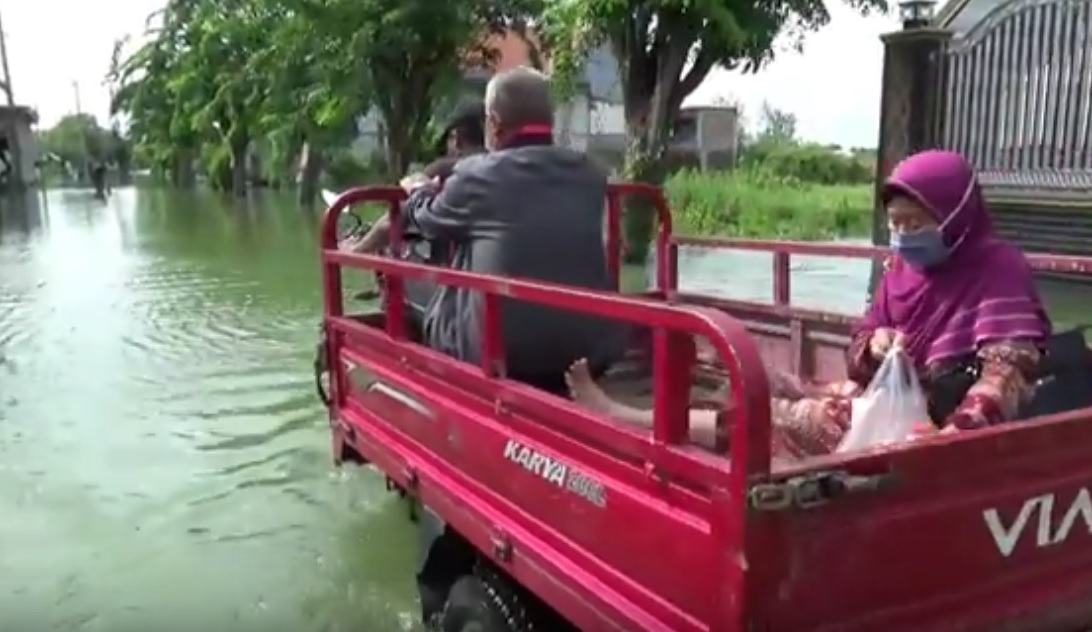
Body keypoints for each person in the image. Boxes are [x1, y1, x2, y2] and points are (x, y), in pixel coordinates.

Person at [565, 149, 1052, 461]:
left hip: (936, 426)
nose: (903, 237)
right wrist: (877, 345)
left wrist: (939, 449)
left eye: (916, 223)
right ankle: (684, 403)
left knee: (777, 413)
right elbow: (862, 346)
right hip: (890, 398)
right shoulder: (902, 271)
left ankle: (627, 416)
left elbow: (1005, 378)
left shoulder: (997, 270)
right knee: (780, 382)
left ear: (957, 217)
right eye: (895, 224)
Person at [344, 66, 622, 390]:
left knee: (418, 279)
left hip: (505, 357)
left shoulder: (477, 174)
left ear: (493, 123)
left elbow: (422, 219)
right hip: (589, 352)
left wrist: (418, 188)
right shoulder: (590, 173)